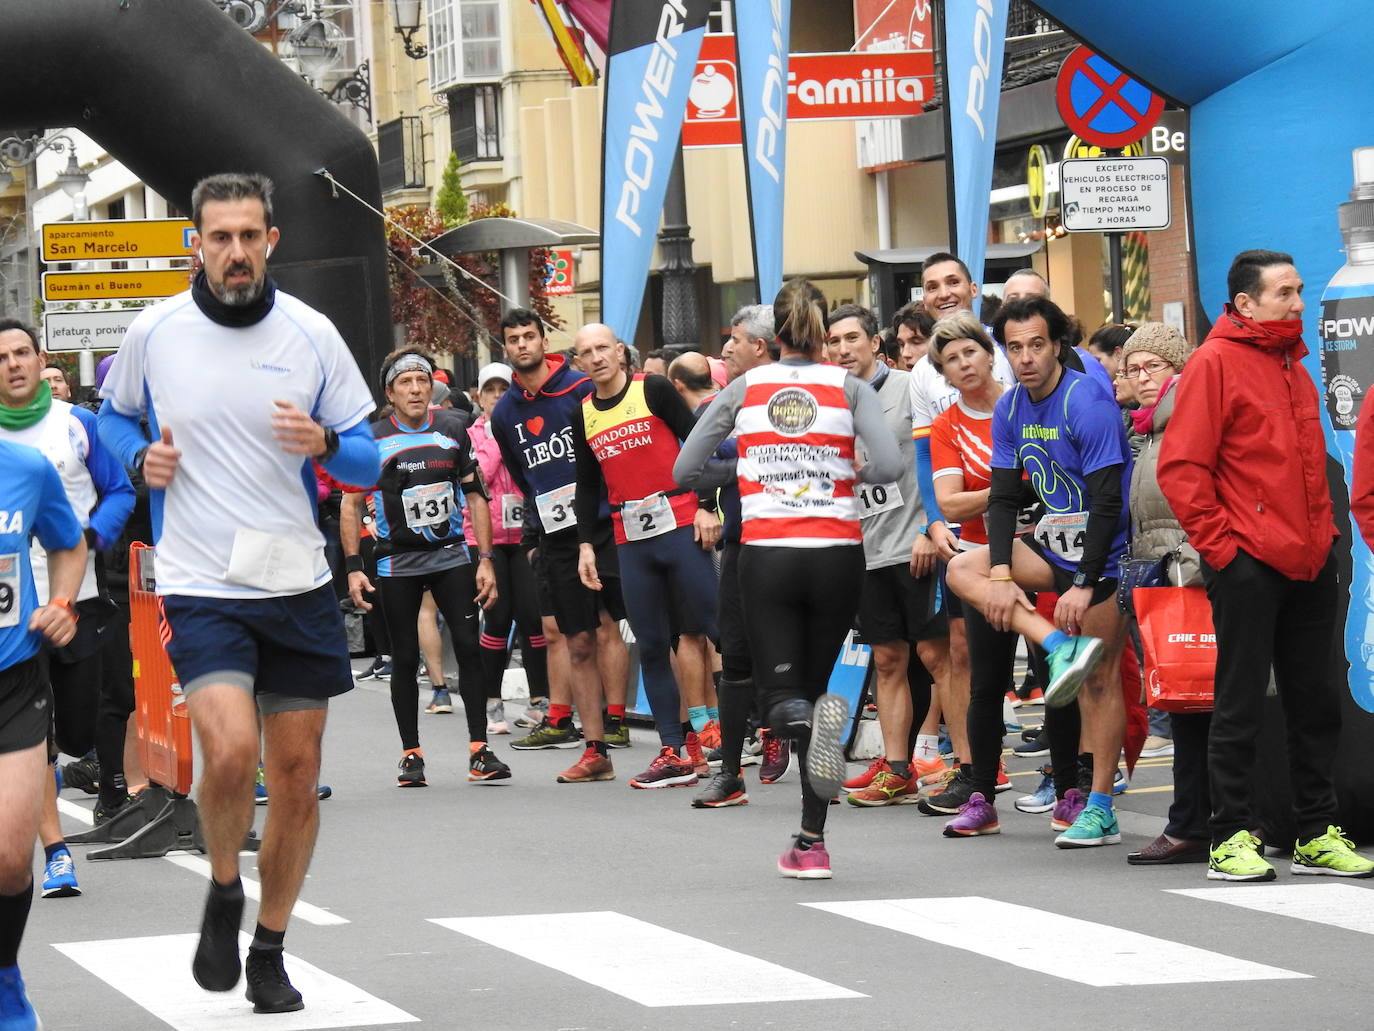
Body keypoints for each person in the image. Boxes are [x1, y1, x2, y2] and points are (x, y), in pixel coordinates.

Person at [98, 172, 381, 1013]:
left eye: (248, 236)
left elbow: (367, 458)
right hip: (201, 580)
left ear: (271, 242)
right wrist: (135, 457)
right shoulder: (156, 330)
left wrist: (326, 439)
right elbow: (114, 419)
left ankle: (270, 944)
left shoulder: (312, 333)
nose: (234, 253)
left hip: (294, 579)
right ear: (195, 242)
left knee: (295, 773)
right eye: (219, 237)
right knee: (227, 751)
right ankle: (225, 886)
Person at [675, 277, 903, 879]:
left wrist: (743, 462)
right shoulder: (850, 388)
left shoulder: (746, 387)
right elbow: (890, 465)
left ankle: (800, 718)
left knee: (782, 698)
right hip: (837, 553)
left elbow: (685, 469)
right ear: (822, 333)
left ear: (774, 334)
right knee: (811, 687)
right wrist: (843, 464)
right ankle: (810, 840)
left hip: (770, 553)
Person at [1159, 249, 1372, 881]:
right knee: (1241, 702)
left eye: (1301, 290)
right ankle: (1230, 837)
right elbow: (1181, 469)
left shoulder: (1296, 367)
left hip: (1309, 561)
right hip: (1250, 563)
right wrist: (1228, 552)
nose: (1299, 302)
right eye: (1285, 292)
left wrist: (1326, 538)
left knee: (1316, 703)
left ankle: (1315, 831)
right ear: (1245, 303)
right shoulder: (1214, 364)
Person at [945, 294, 1133, 850]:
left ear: (1057, 346)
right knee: (965, 569)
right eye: (1015, 347)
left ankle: (1100, 805)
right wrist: (1002, 573)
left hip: (1107, 555)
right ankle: (1054, 644)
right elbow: (1001, 501)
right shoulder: (1009, 409)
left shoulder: (1086, 401)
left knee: (1100, 681)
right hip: (1053, 545)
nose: (1025, 358)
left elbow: (1106, 503)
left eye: (1036, 345)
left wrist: (1083, 584)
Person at [0, 320, 134, 901]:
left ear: (39, 358)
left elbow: (121, 491)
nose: (13, 365)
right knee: (39, 737)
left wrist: (90, 538)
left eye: (22, 353)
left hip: (72, 600)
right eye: (1, 356)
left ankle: (83, 778)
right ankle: (54, 851)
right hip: (15, 627)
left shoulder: (77, 424)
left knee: (81, 726)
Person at [341, 347, 506, 788]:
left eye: (422, 382)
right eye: (405, 384)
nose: (416, 390)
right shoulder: (372, 437)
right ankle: (411, 753)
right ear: (390, 394)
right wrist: (355, 567)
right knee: (405, 658)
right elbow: (352, 503)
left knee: (469, 646)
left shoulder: (454, 427)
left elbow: (475, 496)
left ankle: (479, 749)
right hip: (397, 563)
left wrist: (485, 559)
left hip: (452, 557)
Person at [572, 324, 721, 789]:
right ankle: (673, 751)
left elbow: (700, 443)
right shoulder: (583, 413)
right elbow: (587, 484)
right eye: (586, 353)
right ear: (578, 363)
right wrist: (584, 545)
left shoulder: (652, 389)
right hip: (629, 538)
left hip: (680, 526)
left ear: (619, 352)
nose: (596, 358)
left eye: (603, 348)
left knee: (720, 630)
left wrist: (705, 506)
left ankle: (763, 731)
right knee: (653, 644)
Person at [488, 308, 625, 783]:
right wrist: (534, 536)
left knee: (645, 629)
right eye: (514, 339)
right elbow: (523, 476)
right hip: (558, 536)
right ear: (504, 348)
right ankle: (595, 750)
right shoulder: (504, 413)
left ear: (544, 340)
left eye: (530, 336)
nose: (523, 345)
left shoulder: (580, 387)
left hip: (611, 525)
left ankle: (679, 740)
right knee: (578, 640)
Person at [822, 304, 949, 809]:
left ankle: (970, 766)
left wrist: (929, 527)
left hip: (916, 544)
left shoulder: (909, 387)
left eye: (853, 337)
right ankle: (898, 771)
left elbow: (937, 458)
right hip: (865, 552)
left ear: (876, 343)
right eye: (834, 341)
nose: (843, 348)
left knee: (939, 658)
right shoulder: (826, 403)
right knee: (889, 659)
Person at [0, 439, 86, 1031]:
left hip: (13, 681)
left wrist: (61, 601)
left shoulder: (25, 468)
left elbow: (69, 543)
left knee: (9, 857)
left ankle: (4, 976)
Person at [1115, 323, 1210, 864]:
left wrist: (1189, 568)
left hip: (1189, 583)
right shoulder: (1146, 428)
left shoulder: (1183, 422)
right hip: (1162, 583)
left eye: (1154, 366)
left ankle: (1196, 823)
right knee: (1185, 706)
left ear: (1178, 367)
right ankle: (1196, 820)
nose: (1143, 378)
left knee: (1200, 707)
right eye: (1133, 368)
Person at [920, 312, 1017, 835]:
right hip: (980, 560)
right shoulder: (947, 425)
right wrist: (1007, 486)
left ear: (987, 353)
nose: (963, 364)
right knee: (982, 677)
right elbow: (951, 504)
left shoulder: (1022, 404)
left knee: (1057, 675)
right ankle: (981, 791)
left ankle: (1071, 783)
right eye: (951, 360)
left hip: (1043, 551)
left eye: (970, 352)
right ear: (945, 374)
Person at [464, 361, 550, 737]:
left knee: (533, 617)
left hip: (526, 534)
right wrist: (498, 438)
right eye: (491, 391)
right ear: (479, 397)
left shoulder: (526, 425)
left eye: (504, 390)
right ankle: (490, 699)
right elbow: (479, 475)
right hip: (486, 539)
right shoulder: (470, 435)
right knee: (497, 619)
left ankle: (539, 700)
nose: (498, 398)